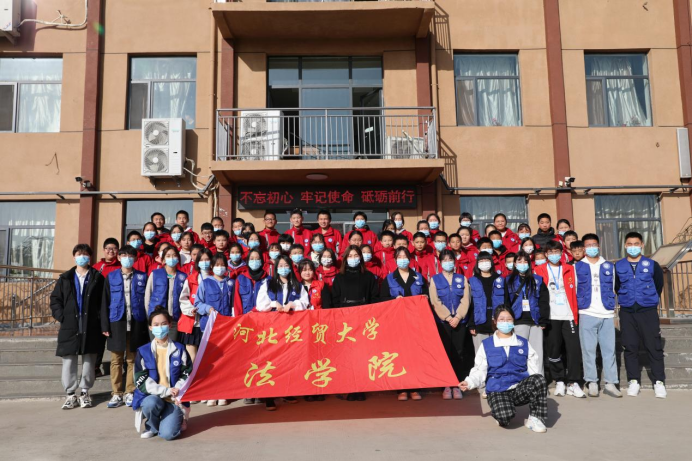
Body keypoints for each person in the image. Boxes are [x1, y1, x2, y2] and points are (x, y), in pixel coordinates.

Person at [459, 306, 549, 434]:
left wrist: (538, 388)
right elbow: (480, 369)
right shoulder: (487, 344)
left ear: (513, 321)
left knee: (539, 379)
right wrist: (469, 382)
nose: (505, 322)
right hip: (497, 389)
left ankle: (535, 418)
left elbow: (534, 370)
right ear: (495, 321)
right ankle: (501, 411)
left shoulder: (523, 343)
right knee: (505, 417)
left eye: (509, 319)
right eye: (501, 319)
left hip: (518, 388)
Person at [50, 244, 105, 410]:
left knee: (89, 360)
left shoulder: (97, 277)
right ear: (74, 256)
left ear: (90, 257)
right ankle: (70, 394)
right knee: (69, 360)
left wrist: (100, 320)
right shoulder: (65, 278)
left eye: (85, 254)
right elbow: (55, 299)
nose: (82, 257)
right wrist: (62, 316)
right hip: (70, 324)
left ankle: (85, 392)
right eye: (79, 254)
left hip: (91, 324)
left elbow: (103, 301)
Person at [615, 232, 666, 399]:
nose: (633, 247)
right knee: (630, 346)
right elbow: (617, 286)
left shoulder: (652, 265)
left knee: (654, 346)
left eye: (636, 244)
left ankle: (659, 381)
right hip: (627, 311)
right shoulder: (619, 266)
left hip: (647, 311)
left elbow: (658, 285)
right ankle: (634, 381)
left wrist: (647, 299)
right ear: (625, 246)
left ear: (642, 245)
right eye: (629, 244)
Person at [256, 255, 310, 411]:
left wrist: (293, 304)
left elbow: (305, 302)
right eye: (280, 265)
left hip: (291, 329)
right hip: (272, 329)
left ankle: (286, 392)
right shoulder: (268, 284)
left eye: (286, 265)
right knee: (270, 361)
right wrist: (274, 303)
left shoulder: (297, 285)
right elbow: (260, 305)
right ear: (276, 268)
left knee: (287, 360)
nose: (283, 268)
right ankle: (269, 397)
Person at [101, 245, 150, 409]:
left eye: (130, 256)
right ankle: (116, 393)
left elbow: (147, 301)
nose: (127, 258)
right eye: (124, 255)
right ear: (119, 257)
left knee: (132, 359)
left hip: (136, 322)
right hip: (116, 322)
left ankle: (130, 391)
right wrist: (105, 325)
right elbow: (105, 301)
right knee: (116, 360)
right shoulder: (111, 276)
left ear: (135, 259)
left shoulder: (142, 276)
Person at [132, 308, 192, 441]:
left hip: (173, 399)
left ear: (170, 325)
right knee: (150, 403)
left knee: (168, 434)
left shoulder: (179, 349)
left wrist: (177, 388)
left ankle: (175, 418)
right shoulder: (143, 351)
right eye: (156, 324)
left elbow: (187, 373)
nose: (160, 327)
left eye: (164, 324)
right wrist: (165, 391)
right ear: (150, 327)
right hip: (154, 397)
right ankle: (151, 426)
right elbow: (140, 380)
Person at [535, 241, 585, 399]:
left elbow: (576, 289)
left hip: (568, 314)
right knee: (554, 349)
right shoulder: (538, 270)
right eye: (551, 252)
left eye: (557, 251)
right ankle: (559, 380)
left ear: (562, 253)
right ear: (546, 254)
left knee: (573, 349)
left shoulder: (569, 268)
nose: (554, 255)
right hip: (551, 316)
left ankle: (573, 382)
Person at [574, 234, 622, 398]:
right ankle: (592, 382)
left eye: (594, 244)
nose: (591, 248)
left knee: (609, 350)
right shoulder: (578, 266)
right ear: (583, 248)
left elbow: (614, 286)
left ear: (599, 246)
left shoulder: (608, 266)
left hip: (606, 313)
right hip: (587, 312)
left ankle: (610, 383)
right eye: (588, 245)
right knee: (588, 350)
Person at [331, 246, 379, 402]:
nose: (353, 258)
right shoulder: (339, 277)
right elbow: (335, 299)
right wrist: (341, 316)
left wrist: (368, 314)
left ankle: (361, 388)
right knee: (347, 356)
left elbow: (374, 298)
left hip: (363, 320)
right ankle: (350, 387)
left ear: (361, 258)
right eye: (350, 256)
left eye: (356, 255)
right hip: (345, 322)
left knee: (362, 356)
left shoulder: (369, 276)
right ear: (345, 259)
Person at [379, 247, 428, 402]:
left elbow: (426, 296)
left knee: (415, 354)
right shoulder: (389, 279)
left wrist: (424, 298)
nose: (402, 259)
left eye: (405, 257)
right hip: (397, 322)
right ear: (395, 259)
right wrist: (394, 301)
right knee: (399, 354)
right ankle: (402, 388)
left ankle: (415, 387)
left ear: (410, 259)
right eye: (399, 257)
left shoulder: (418, 277)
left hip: (416, 322)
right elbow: (382, 299)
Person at [430, 250, 470, 401]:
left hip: (460, 321)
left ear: (454, 261)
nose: (448, 262)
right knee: (445, 353)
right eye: (445, 260)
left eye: (450, 259)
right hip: (443, 322)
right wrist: (447, 317)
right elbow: (435, 301)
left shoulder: (462, 278)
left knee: (459, 353)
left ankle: (457, 384)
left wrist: (458, 317)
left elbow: (466, 299)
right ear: (440, 262)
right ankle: (446, 385)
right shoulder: (435, 280)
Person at [506, 251, 550, 376]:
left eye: (526, 261)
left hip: (535, 320)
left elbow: (543, 301)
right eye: (519, 261)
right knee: (519, 352)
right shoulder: (508, 280)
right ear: (515, 263)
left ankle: (538, 379)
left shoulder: (537, 280)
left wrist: (543, 319)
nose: (523, 263)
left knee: (537, 352)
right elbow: (506, 301)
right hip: (518, 320)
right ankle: (521, 380)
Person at [467, 254, 506, 378]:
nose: (484, 262)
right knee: (480, 355)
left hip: (497, 323)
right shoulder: (472, 280)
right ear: (477, 263)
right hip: (479, 322)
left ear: (491, 262)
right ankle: (481, 380)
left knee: (498, 353)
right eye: (481, 260)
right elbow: (470, 304)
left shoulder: (500, 279)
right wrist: (471, 324)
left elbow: (506, 302)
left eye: (487, 260)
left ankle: (497, 379)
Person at [144, 246, 188, 342]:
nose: (171, 258)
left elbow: (185, 298)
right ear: (163, 259)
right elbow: (148, 295)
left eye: (174, 255)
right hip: (156, 318)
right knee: (156, 346)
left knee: (171, 346)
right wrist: (149, 316)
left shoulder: (183, 276)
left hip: (174, 320)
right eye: (168, 256)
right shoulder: (155, 274)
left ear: (178, 258)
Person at [178, 248, 213, 363]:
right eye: (201, 260)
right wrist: (190, 310)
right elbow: (183, 298)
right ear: (197, 262)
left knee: (207, 359)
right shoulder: (191, 279)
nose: (204, 262)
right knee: (192, 359)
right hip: (192, 323)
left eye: (207, 259)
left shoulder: (215, 278)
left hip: (208, 323)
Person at [235, 249, 272, 316]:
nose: (254, 261)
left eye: (257, 259)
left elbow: (270, 301)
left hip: (262, 317)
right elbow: (237, 302)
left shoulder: (268, 279)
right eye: (252, 259)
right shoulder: (240, 278)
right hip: (245, 317)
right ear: (248, 261)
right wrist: (239, 318)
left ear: (261, 261)